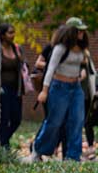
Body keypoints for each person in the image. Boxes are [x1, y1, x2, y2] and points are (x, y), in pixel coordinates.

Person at [32, 17, 90, 161]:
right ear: (71, 32)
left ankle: (73, 157)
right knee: (54, 121)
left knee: (77, 121)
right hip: (59, 88)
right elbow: (50, 69)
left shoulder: (82, 49)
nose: (82, 34)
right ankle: (38, 150)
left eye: (83, 31)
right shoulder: (60, 48)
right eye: (79, 31)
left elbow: (82, 67)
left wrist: (81, 72)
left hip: (75, 88)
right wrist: (44, 91)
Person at [0, 23, 28, 150]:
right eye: (10, 33)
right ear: (3, 35)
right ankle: (4, 145)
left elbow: (24, 66)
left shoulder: (17, 48)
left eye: (13, 32)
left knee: (16, 119)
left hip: (16, 89)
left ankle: (3, 140)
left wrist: (22, 60)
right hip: (3, 89)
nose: (13, 35)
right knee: (4, 118)